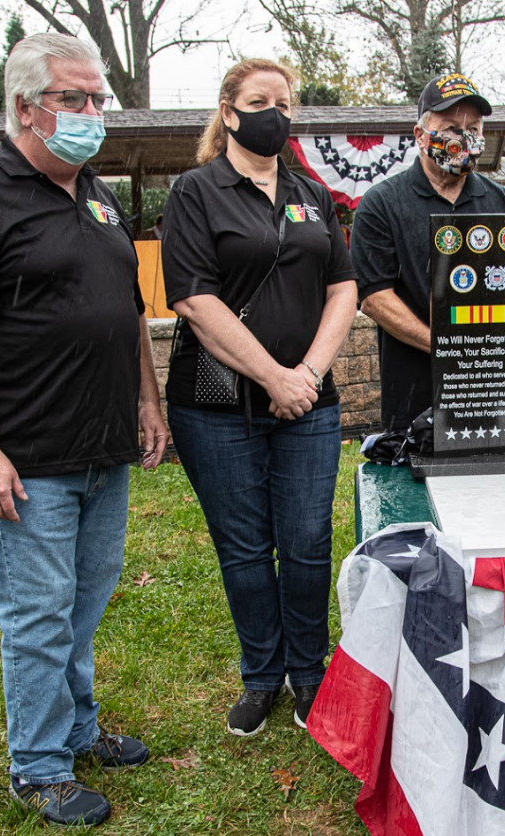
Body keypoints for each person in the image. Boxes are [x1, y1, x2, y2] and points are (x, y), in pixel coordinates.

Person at [0, 33, 168, 828]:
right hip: (30, 457)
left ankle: (79, 728)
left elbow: (126, 309)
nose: (93, 113)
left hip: (105, 446)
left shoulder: (94, 193)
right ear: (26, 107)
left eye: (99, 99)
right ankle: (37, 767)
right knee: (37, 614)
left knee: (84, 603)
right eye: (75, 99)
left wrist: (149, 401)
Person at [160, 58, 358, 737]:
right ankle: (260, 675)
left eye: (284, 100)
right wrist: (273, 377)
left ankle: (310, 673)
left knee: (305, 541)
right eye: (258, 99)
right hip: (214, 407)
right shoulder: (196, 190)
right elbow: (191, 294)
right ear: (227, 110)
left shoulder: (311, 194)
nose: (275, 110)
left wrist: (306, 372)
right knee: (244, 548)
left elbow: (343, 286)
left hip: (310, 399)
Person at [351, 72, 505, 430]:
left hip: (492, 390)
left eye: (473, 127)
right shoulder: (382, 203)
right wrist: (445, 346)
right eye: (448, 126)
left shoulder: (503, 201)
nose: (464, 137)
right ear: (420, 135)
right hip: (413, 393)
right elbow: (373, 297)